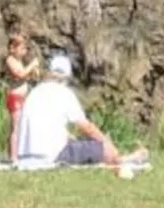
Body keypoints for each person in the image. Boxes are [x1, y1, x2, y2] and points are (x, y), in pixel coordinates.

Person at [15, 54, 147, 173]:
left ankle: (123, 158)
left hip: (25, 156)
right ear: (66, 77)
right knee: (103, 148)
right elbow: (87, 128)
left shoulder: (34, 92)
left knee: (77, 143)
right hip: (51, 156)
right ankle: (123, 159)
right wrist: (106, 142)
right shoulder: (64, 93)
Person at [4, 33, 41, 162]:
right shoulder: (10, 60)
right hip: (14, 97)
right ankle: (13, 156)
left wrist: (34, 72)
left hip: (23, 97)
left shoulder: (20, 61)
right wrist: (31, 66)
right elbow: (19, 74)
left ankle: (20, 152)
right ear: (12, 48)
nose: (24, 51)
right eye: (21, 48)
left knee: (21, 126)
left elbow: (26, 77)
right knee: (15, 127)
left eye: (25, 48)